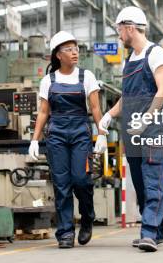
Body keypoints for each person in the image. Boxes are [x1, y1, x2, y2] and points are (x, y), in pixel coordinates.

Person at [99, 7, 163, 252]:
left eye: (119, 29)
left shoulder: (156, 54)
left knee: (152, 180)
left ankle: (148, 232)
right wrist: (109, 115)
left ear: (129, 27)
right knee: (140, 184)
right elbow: (126, 98)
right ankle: (156, 231)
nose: (119, 35)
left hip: (152, 131)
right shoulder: (128, 61)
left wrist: (147, 119)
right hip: (133, 133)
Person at [28, 31, 107, 248]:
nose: (74, 53)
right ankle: (65, 233)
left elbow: (95, 108)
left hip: (81, 134)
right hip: (57, 136)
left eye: (76, 49)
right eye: (69, 50)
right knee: (61, 185)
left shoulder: (86, 76)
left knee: (81, 180)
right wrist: (34, 140)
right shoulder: (48, 80)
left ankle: (87, 218)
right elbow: (44, 112)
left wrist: (101, 134)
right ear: (58, 55)